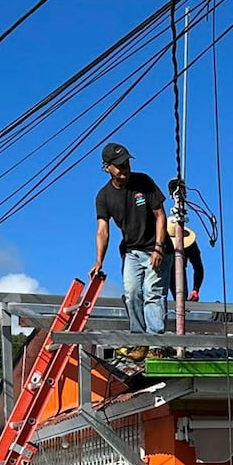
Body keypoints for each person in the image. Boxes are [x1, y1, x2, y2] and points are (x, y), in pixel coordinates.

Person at [89, 143, 172, 360]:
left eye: (126, 163)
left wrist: (158, 247)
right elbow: (102, 231)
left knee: (153, 292)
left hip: (156, 248)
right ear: (107, 167)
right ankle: (139, 340)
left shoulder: (143, 181)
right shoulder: (104, 196)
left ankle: (156, 344)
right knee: (133, 292)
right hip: (131, 251)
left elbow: (160, 216)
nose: (124, 168)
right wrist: (99, 261)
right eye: (118, 165)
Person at [167, 179, 205, 302]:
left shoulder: (189, 244)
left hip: (178, 275)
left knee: (181, 302)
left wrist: (195, 289)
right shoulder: (160, 239)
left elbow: (198, 267)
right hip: (162, 271)